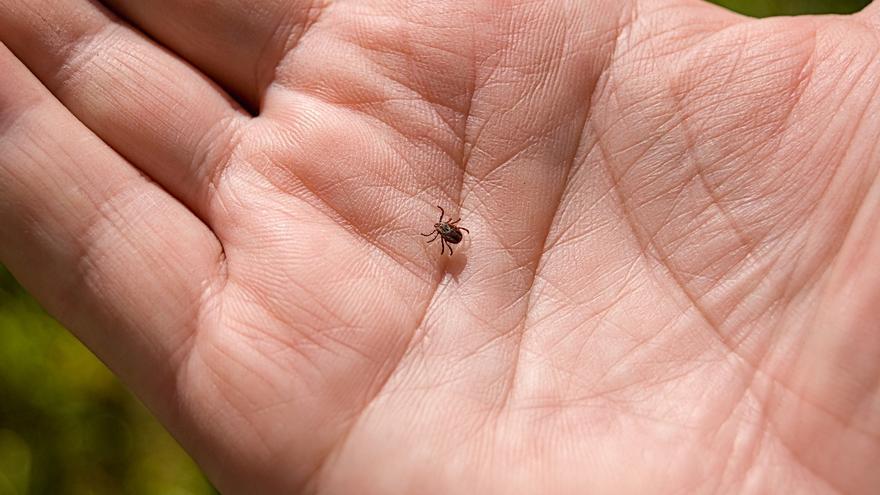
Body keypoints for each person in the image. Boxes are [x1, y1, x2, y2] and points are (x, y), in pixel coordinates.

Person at [1, 0, 878, 493]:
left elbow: (448, 231)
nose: (446, 234)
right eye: (449, 232)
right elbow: (450, 229)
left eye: (447, 232)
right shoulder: (450, 231)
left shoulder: (447, 234)